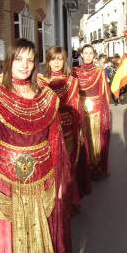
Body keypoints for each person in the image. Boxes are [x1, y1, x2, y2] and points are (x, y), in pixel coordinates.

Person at [0, 38, 73, 253]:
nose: (25, 65)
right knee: (8, 241)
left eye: (30, 60)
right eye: (19, 59)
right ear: (10, 61)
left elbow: (56, 142)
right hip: (5, 182)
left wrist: (60, 179)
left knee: (41, 233)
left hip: (43, 180)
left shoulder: (47, 97)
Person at [38, 46, 85, 201]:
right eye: (53, 59)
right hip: (48, 130)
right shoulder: (40, 82)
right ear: (48, 61)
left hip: (67, 128)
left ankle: (68, 199)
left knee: (68, 164)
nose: (56, 63)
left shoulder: (71, 82)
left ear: (64, 61)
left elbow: (75, 106)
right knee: (52, 166)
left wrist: (79, 130)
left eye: (59, 59)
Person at [73, 44, 111, 180]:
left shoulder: (99, 72)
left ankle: (95, 166)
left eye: (90, 53)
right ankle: (84, 166)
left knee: (95, 138)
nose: (88, 55)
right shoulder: (74, 72)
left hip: (96, 111)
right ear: (81, 55)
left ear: (94, 55)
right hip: (81, 110)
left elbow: (104, 93)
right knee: (82, 138)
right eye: (85, 53)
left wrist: (104, 112)